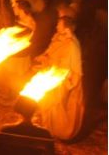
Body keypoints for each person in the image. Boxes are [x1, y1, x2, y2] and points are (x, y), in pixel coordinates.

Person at [34, 8, 84, 140]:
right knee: (46, 99)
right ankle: (46, 124)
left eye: (58, 24)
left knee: (55, 103)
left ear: (66, 28)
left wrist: (58, 74)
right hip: (50, 73)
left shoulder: (72, 45)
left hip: (61, 79)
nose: (56, 26)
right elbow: (50, 51)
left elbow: (71, 68)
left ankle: (55, 128)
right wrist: (43, 57)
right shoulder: (57, 37)